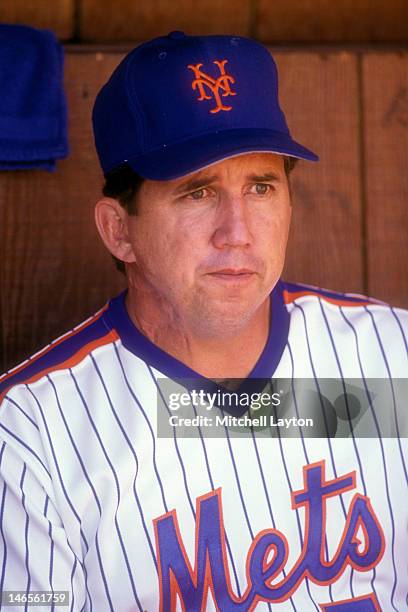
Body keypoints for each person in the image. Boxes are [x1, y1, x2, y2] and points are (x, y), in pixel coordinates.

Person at [0, 32, 406, 612]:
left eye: (261, 186)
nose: (237, 231)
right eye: (197, 192)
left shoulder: (394, 359)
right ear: (120, 230)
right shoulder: (29, 438)